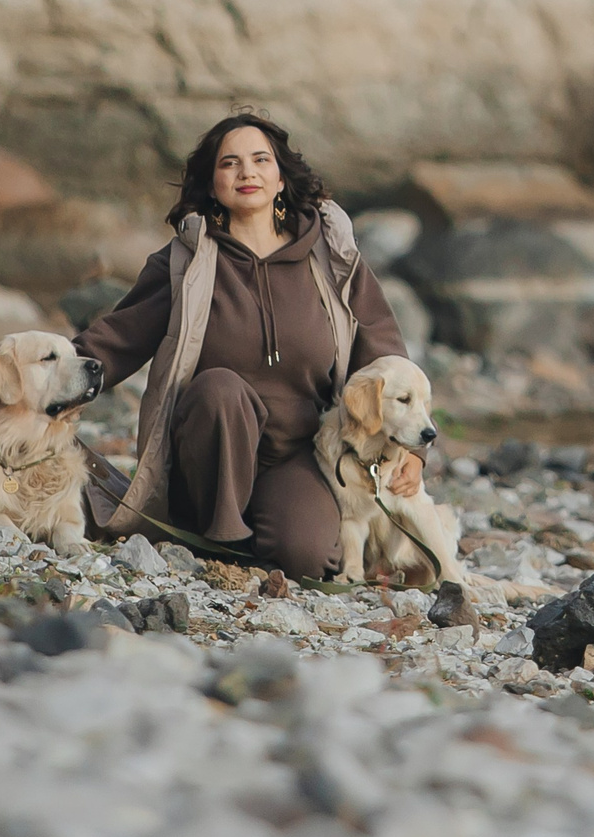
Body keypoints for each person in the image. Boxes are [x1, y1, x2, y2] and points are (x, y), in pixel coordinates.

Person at [74, 112, 407, 573]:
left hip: (298, 454)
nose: (247, 172)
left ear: (280, 178)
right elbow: (116, 339)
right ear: (213, 185)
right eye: (230, 163)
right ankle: (219, 538)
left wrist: (412, 450)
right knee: (221, 389)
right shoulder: (186, 263)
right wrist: (38, 375)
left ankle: (254, 539)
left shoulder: (332, 257)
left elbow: (387, 359)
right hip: (208, 453)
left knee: (308, 557)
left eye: (260, 160)